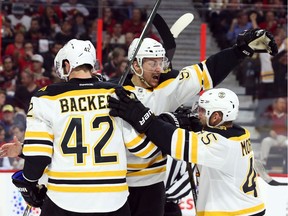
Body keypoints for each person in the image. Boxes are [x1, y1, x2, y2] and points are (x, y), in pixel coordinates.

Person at [108, 28, 277, 216]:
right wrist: (172, 121)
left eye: (160, 61)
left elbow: (208, 71)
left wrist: (239, 51)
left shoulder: (169, 84)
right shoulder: (114, 93)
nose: (159, 68)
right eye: (152, 62)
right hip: (117, 180)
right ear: (136, 65)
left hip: (153, 181)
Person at [9, 38, 159, 216]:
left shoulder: (45, 98)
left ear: (66, 65)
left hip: (64, 200)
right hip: (113, 201)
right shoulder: (117, 94)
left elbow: (38, 157)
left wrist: (29, 182)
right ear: (92, 64)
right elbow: (143, 149)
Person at [108, 87, 266, 216]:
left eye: (203, 111)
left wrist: (142, 116)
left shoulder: (220, 147)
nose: (199, 114)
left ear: (216, 117)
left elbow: (172, 141)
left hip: (234, 212)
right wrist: (194, 123)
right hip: (246, 208)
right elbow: (210, 133)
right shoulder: (239, 133)